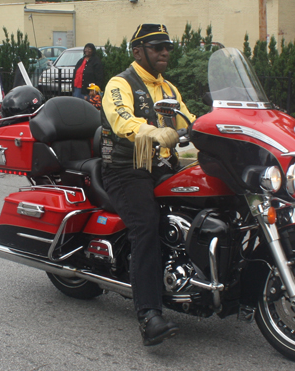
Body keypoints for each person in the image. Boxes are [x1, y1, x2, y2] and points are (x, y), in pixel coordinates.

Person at [100, 24, 195, 346]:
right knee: (147, 225)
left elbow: (189, 121)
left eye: (167, 47)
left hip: (163, 165)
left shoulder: (168, 88)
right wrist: (150, 131)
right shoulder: (120, 83)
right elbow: (120, 117)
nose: (165, 52)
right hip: (127, 168)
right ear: (138, 51)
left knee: (203, 204)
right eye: (157, 47)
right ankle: (149, 314)